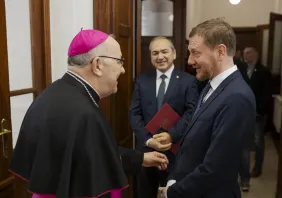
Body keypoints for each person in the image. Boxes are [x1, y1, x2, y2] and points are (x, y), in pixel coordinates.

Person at [9, 29, 169, 198]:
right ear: (97, 65)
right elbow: (94, 180)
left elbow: (92, 154)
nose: (122, 70)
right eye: (120, 61)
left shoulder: (52, 94)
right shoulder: (85, 114)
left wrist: (139, 159)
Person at [158, 18, 256, 198]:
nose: (189, 61)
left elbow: (215, 169)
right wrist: (174, 178)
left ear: (220, 52)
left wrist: (172, 192)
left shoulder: (237, 98)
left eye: (196, 53)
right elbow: (192, 142)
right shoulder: (209, 86)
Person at [129, 36, 198, 198]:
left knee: (174, 193)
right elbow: (134, 113)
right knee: (145, 193)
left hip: (176, 151)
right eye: (155, 53)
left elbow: (191, 113)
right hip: (146, 151)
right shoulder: (142, 80)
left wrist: (171, 135)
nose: (160, 57)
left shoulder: (189, 81)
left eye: (164, 51)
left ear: (174, 54)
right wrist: (148, 140)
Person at [240, 47, 272, 180]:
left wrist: (260, 110)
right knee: (244, 142)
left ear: (255, 54)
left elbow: (267, 93)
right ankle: (243, 170)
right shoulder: (241, 70)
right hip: (244, 112)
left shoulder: (263, 71)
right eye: (244, 53)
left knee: (258, 142)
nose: (245, 55)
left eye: (248, 53)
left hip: (258, 112)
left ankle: (257, 168)